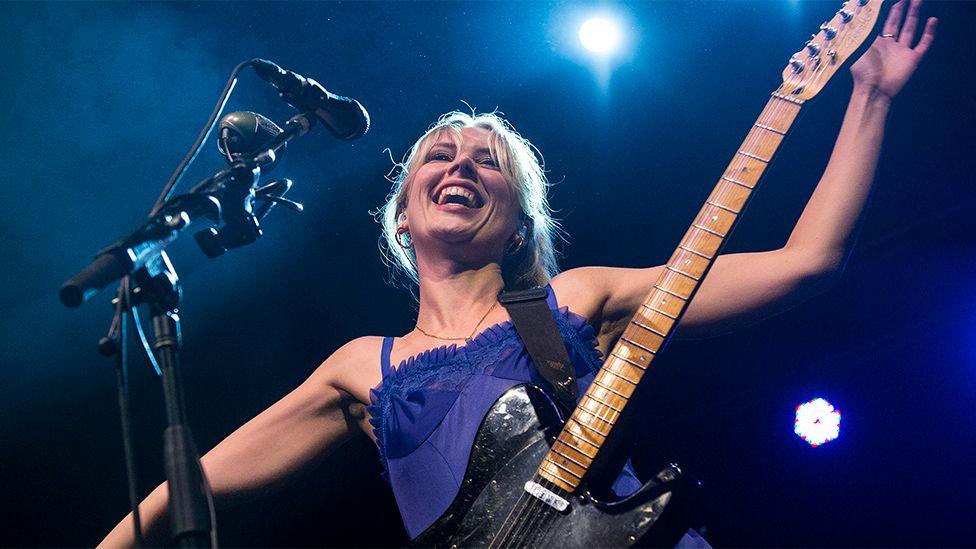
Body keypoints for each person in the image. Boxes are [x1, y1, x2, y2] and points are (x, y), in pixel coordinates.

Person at [99, 1, 936, 545]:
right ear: (401, 211)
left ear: (519, 217)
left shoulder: (579, 297)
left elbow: (807, 261)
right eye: (441, 152)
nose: (462, 164)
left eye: (488, 161)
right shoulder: (364, 366)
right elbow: (190, 482)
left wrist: (869, 98)